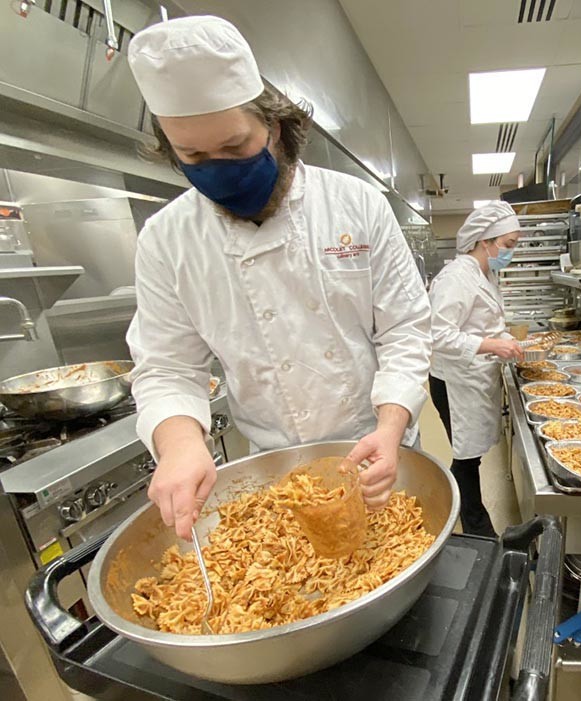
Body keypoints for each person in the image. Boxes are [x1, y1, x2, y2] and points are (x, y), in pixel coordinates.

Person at [125, 16, 431, 540]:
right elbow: (167, 368)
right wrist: (179, 444)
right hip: (275, 469)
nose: (217, 168)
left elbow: (404, 329)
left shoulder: (356, 206)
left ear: (277, 129)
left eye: (235, 147)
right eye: (194, 156)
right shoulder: (166, 239)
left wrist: (390, 427)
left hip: (376, 448)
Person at [428, 202, 523, 537]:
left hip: (474, 377)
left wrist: (511, 341)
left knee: (472, 455)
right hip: (454, 382)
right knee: (466, 458)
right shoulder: (456, 278)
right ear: (486, 241)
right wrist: (492, 346)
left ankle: (470, 517)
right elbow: (438, 335)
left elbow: (487, 324)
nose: (509, 252)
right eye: (508, 245)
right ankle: (477, 530)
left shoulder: (486, 273)